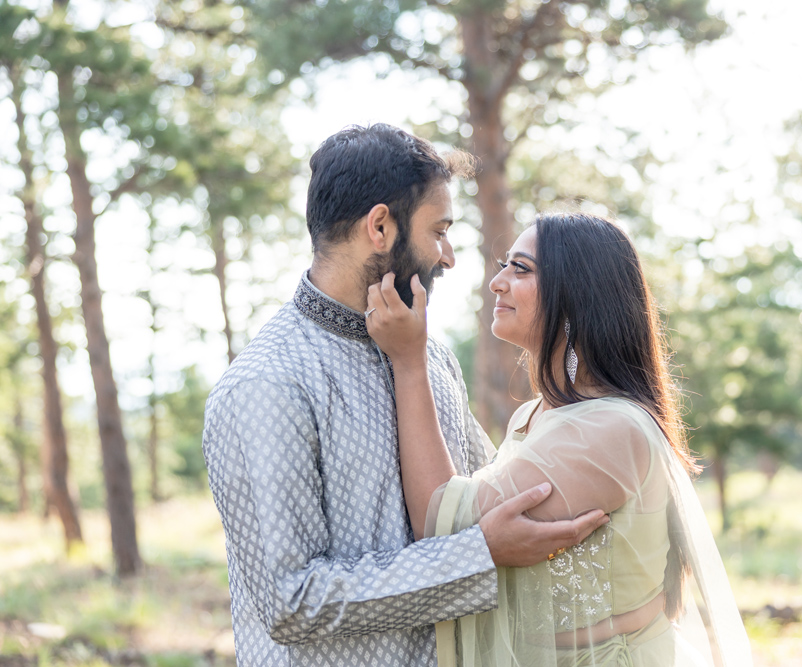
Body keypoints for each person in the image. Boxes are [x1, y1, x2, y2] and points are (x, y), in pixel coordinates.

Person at [201, 125, 608, 667]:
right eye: (439, 231)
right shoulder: (267, 385)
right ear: (380, 226)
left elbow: (483, 499)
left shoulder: (430, 358)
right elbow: (291, 600)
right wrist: (476, 557)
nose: (449, 256)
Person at [366, 212, 753, 666]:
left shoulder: (609, 430)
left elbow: (439, 520)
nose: (498, 282)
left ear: (576, 299)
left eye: (521, 269)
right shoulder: (536, 415)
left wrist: (410, 363)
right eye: (505, 265)